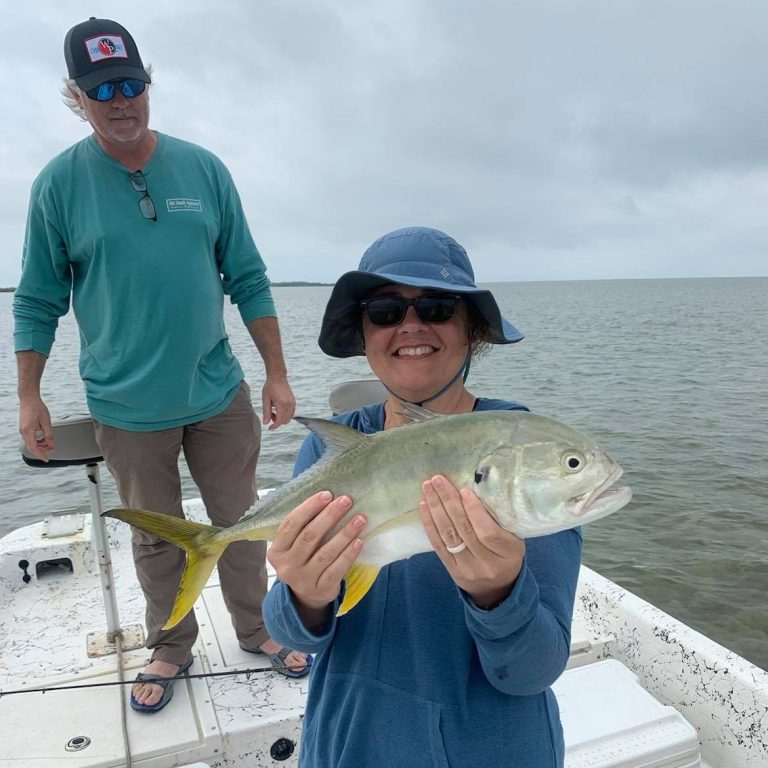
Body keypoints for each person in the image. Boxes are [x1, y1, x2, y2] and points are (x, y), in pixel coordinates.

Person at [13, 17, 309, 713]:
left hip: (216, 393)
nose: (119, 102)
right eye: (100, 91)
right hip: (127, 406)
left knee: (242, 521)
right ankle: (169, 645)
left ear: (148, 85)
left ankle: (256, 627)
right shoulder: (58, 186)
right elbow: (36, 299)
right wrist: (29, 397)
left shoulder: (203, 169)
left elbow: (249, 277)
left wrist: (277, 371)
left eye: (130, 85)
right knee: (156, 537)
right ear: (75, 98)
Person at [262, 226, 582, 767]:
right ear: (363, 335)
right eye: (385, 310)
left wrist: (498, 595)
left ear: (471, 330)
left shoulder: (522, 454)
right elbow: (293, 632)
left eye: (436, 307)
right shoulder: (331, 446)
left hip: (486, 748)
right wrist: (304, 595)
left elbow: (533, 670)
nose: (411, 325)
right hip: (347, 741)